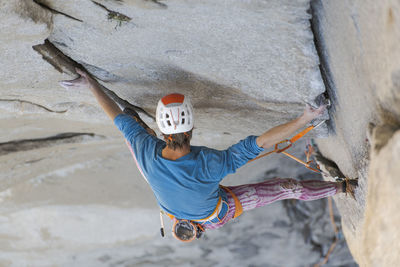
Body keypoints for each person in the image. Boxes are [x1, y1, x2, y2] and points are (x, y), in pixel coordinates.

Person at [60, 69, 357, 242]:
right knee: (286, 188)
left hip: (183, 208)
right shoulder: (210, 164)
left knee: (129, 132)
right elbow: (261, 142)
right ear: (192, 128)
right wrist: (307, 116)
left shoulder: (144, 149)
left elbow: (115, 114)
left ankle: (344, 188)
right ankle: (343, 187)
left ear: (161, 133)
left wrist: (89, 84)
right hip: (218, 211)